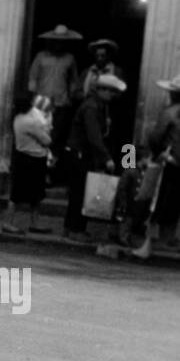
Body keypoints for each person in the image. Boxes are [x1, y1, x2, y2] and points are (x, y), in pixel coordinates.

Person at [63, 73, 126, 242]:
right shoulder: (91, 107)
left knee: (79, 191)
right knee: (80, 191)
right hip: (80, 152)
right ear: (102, 90)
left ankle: (70, 228)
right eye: (111, 92)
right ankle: (75, 229)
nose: (113, 96)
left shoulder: (99, 105)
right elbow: (94, 136)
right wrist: (106, 158)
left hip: (81, 153)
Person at [131, 73, 180, 260]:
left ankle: (148, 245)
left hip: (170, 164)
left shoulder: (170, 112)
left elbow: (156, 138)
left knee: (156, 204)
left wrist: (159, 154)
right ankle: (171, 239)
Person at [28, 25, 82, 176]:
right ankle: (37, 172)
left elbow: (73, 81)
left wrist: (71, 96)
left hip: (61, 103)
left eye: (62, 41)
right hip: (41, 104)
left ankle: (49, 173)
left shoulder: (69, 59)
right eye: (56, 40)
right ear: (51, 40)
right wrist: (32, 99)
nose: (59, 44)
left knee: (56, 139)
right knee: (39, 137)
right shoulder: (41, 57)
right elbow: (32, 78)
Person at [3, 93, 55, 235]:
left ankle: (15, 222)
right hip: (33, 159)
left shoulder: (18, 119)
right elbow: (46, 140)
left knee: (23, 193)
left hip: (23, 158)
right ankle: (23, 223)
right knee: (31, 194)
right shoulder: (30, 122)